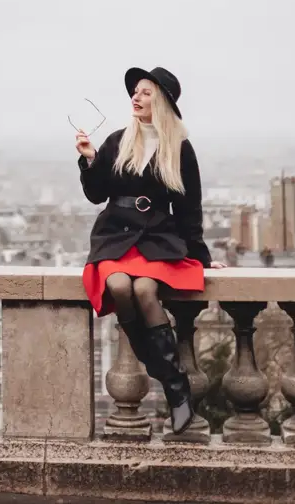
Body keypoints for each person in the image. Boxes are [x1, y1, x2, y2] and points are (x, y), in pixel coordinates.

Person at [75, 66, 226, 434]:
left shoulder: (180, 148)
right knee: (121, 286)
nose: (136, 97)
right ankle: (176, 387)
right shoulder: (117, 140)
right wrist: (90, 159)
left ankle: (175, 389)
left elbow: (190, 209)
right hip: (115, 234)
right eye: (135, 92)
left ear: (161, 102)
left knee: (144, 289)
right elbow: (97, 194)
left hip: (157, 236)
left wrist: (202, 257)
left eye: (145, 92)